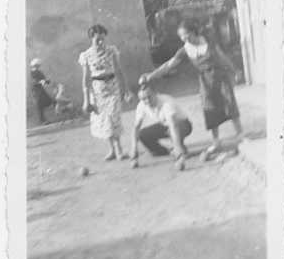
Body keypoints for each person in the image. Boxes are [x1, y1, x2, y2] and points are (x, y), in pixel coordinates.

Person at [140, 19, 243, 160]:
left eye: (186, 34)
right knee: (210, 109)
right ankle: (216, 141)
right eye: (181, 36)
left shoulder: (209, 42)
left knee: (229, 104)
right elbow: (169, 65)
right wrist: (151, 75)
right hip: (205, 81)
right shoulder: (185, 50)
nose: (184, 38)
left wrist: (235, 71)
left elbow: (222, 58)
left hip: (220, 77)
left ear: (193, 32)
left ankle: (240, 134)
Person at [79, 24, 132, 161]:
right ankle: (112, 150)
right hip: (97, 91)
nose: (101, 42)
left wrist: (126, 90)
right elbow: (85, 79)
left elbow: (119, 70)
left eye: (103, 39)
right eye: (98, 40)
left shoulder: (111, 51)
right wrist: (86, 100)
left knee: (113, 117)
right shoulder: (86, 55)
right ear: (91, 39)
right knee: (103, 120)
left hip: (113, 87)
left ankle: (119, 149)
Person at [130, 84, 192, 170]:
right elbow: (136, 127)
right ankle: (168, 151)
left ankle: (180, 149)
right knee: (142, 134)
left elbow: (173, 125)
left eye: (149, 97)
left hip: (183, 124)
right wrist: (134, 149)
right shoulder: (141, 105)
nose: (147, 101)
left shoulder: (166, 102)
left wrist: (177, 147)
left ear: (155, 93)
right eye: (144, 99)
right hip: (164, 125)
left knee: (172, 132)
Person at [30, 58, 55, 124]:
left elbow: (43, 80)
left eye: (37, 65)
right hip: (36, 90)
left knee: (49, 101)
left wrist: (46, 81)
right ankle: (42, 120)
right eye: (36, 65)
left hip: (40, 89)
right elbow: (36, 81)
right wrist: (44, 81)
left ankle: (44, 119)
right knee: (40, 104)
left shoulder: (38, 72)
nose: (37, 66)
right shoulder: (33, 72)